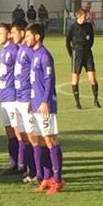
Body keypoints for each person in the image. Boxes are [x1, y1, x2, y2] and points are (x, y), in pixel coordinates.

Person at [25, 23, 64, 195]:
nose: (26, 39)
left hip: (45, 105)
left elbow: (49, 80)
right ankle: (47, 177)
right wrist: (31, 101)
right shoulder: (34, 55)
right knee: (40, 140)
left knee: (50, 140)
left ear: (37, 36)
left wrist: (45, 101)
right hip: (35, 103)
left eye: (28, 36)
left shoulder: (45, 55)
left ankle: (58, 179)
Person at [11, 20, 37, 182]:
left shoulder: (29, 51)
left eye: (13, 32)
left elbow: (35, 75)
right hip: (18, 97)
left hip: (27, 97)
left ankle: (37, 171)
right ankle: (29, 169)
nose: (11, 35)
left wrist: (32, 97)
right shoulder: (20, 49)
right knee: (24, 135)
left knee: (33, 136)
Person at [0, 23, 21, 175]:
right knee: (9, 131)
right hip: (4, 96)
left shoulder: (14, 51)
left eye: (0, 33)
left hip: (13, 96)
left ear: (9, 35)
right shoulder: (3, 51)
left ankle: (21, 164)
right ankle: (13, 163)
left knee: (17, 132)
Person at [66, 9, 101, 109]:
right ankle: (77, 102)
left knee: (92, 78)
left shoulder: (89, 26)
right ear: (79, 16)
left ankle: (96, 100)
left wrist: (87, 48)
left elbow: (92, 39)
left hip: (87, 54)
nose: (87, 17)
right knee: (75, 78)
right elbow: (67, 43)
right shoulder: (72, 27)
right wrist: (72, 55)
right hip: (76, 55)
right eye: (85, 16)